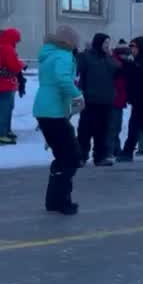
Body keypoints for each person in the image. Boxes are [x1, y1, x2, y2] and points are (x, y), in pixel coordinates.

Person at [33, 25, 85, 214]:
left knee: (63, 155)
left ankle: (54, 200)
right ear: (69, 43)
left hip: (45, 109)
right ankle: (61, 201)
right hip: (53, 110)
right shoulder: (63, 56)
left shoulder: (49, 55)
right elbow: (63, 79)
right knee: (71, 157)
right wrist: (77, 96)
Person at [76, 33, 120, 166]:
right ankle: (81, 156)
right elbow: (77, 69)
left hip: (106, 101)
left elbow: (118, 68)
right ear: (98, 43)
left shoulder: (109, 58)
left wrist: (111, 55)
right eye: (105, 43)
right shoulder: (86, 57)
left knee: (103, 131)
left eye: (108, 43)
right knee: (85, 130)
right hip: (90, 100)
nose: (107, 46)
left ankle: (100, 157)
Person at [109, 40, 131, 158]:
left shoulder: (123, 62)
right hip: (114, 99)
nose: (126, 55)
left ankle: (115, 149)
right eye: (124, 53)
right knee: (113, 126)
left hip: (119, 99)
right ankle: (113, 149)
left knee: (116, 126)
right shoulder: (116, 63)